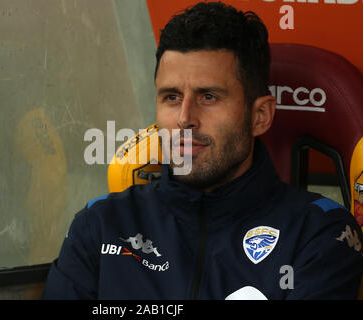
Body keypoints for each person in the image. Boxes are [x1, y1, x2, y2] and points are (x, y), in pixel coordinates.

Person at [42, 1, 362, 299]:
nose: (185, 119)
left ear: (260, 116)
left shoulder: (320, 234)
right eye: (171, 97)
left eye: (208, 97)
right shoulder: (99, 225)